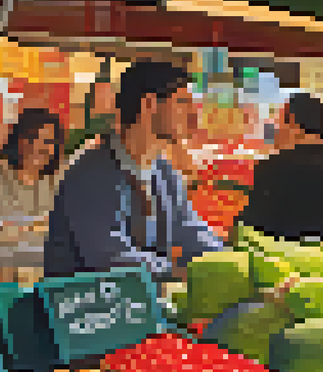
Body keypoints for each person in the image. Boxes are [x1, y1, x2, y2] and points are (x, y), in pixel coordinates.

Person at [45, 61, 224, 280]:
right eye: (182, 102)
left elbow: (188, 228)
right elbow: (109, 257)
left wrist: (226, 260)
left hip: (134, 305)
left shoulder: (164, 173)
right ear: (150, 104)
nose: (193, 115)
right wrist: (176, 272)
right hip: (84, 307)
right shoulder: (92, 174)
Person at [238, 94, 323, 242]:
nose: (276, 130)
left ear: (292, 122)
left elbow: (252, 229)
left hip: (282, 259)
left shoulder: (271, 170)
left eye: (279, 122)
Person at [0, 108, 70, 218]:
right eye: (31, 138)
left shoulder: (62, 178)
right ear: (16, 139)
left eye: (47, 142)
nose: (37, 147)